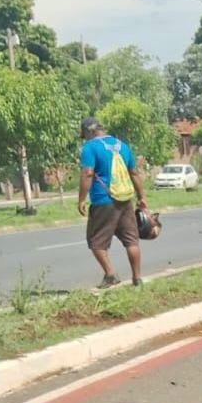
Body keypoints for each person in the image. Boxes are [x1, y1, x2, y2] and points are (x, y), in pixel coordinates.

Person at [77, 117, 147, 288]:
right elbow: (134, 173)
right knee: (131, 240)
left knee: (96, 242)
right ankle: (137, 279)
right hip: (125, 199)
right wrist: (141, 197)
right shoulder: (122, 146)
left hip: (104, 200)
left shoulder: (90, 147)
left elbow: (87, 173)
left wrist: (81, 199)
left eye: (84, 135)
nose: (85, 139)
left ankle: (110, 275)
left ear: (89, 132)